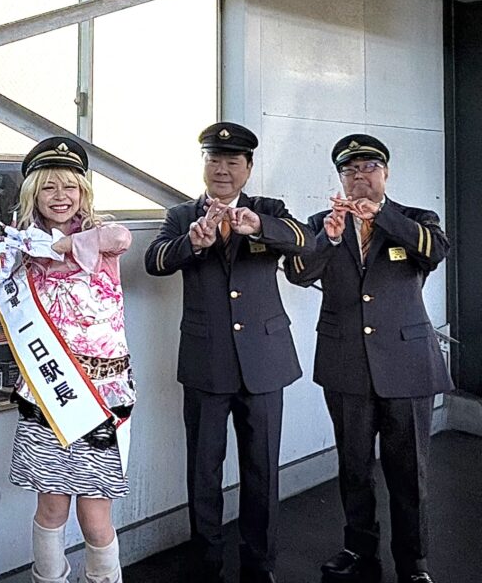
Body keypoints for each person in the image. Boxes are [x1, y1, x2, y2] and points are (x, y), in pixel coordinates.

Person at [143, 122, 308, 583]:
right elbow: (154, 261)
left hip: (265, 361)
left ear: (248, 168)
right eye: (214, 160)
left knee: (263, 471)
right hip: (205, 363)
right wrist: (191, 243)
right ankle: (206, 563)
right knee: (203, 471)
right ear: (202, 165)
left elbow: (303, 241)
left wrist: (262, 227)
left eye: (233, 162)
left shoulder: (267, 209)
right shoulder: (180, 216)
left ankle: (260, 563)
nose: (222, 169)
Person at [0, 137, 134, 583]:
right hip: (47, 395)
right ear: (32, 193)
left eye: (70, 187)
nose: (61, 197)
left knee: (96, 517)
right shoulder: (17, 249)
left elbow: (122, 236)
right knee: (52, 506)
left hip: (101, 395)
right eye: (49, 188)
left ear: (83, 193)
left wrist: (57, 247)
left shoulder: (99, 238)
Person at [287, 135, 448, 583]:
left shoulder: (416, 219)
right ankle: (358, 549)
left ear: (386, 173)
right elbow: (298, 274)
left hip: (408, 365)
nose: (360, 177)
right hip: (346, 366)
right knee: (353, 467)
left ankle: (414, 564)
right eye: (350, 170)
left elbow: (435, 251)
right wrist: (328, 237)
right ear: (340, 177)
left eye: (369, 168)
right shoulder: (322, 222)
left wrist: (383, 217)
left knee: (408, 473)